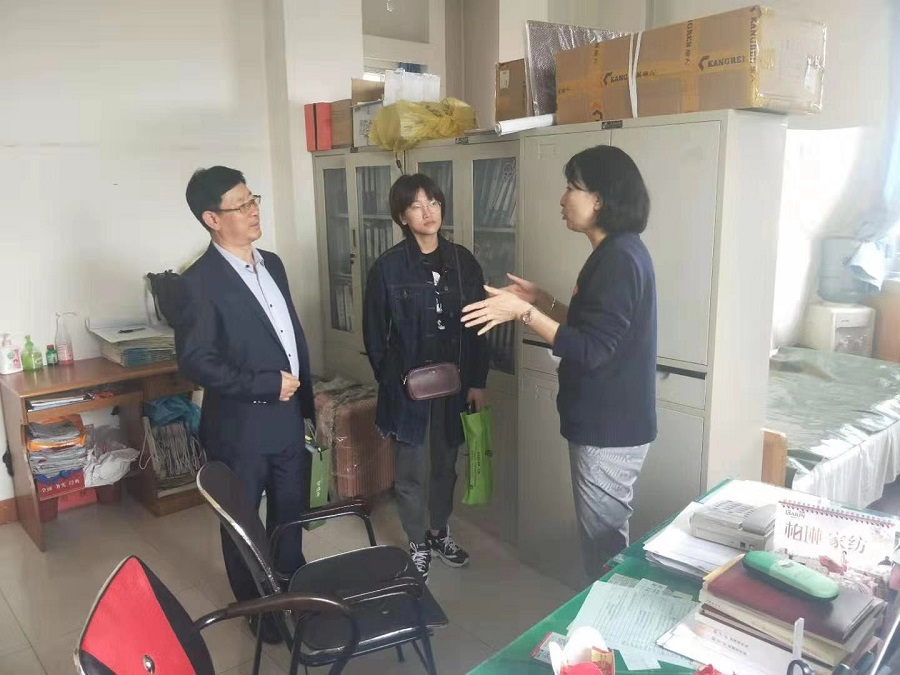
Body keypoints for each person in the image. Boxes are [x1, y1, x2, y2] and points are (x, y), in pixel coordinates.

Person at [461, 145, 657, 579]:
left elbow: (591, 349)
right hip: (610, 422)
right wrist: (543, 300)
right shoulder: (614, 253)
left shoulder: (618, 259)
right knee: (605, 540)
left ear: (599, 199)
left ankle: (608, 618)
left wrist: (523, 314)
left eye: (572, 187)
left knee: (604, 547)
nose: (563, 198)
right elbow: (593, 328)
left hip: (609, 428)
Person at [176, 166, 314, 641]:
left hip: (288, 417)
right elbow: (196, 362)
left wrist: (301, 399)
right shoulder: (198, 282)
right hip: (240, 428)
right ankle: (259, 611)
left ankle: (294, 596)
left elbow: (284, 334)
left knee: (290, 514)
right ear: (212, 219)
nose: (254, 210)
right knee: (243, 527)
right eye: (241, 205)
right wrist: (263, 384)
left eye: (253, 199)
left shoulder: (272, 263)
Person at [363, 173, 490, 582]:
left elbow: (479, 326)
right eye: (416, 206)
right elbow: (374, 334)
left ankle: (439, 533)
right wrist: (392, 382)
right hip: (408, 388)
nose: (428, 212)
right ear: (402, 216)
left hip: (455, 385)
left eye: (433, 202)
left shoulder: (463, 262)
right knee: (411, 470)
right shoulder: (387, 267)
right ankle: (417, 542)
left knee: (445, 464)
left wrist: (478, 381)